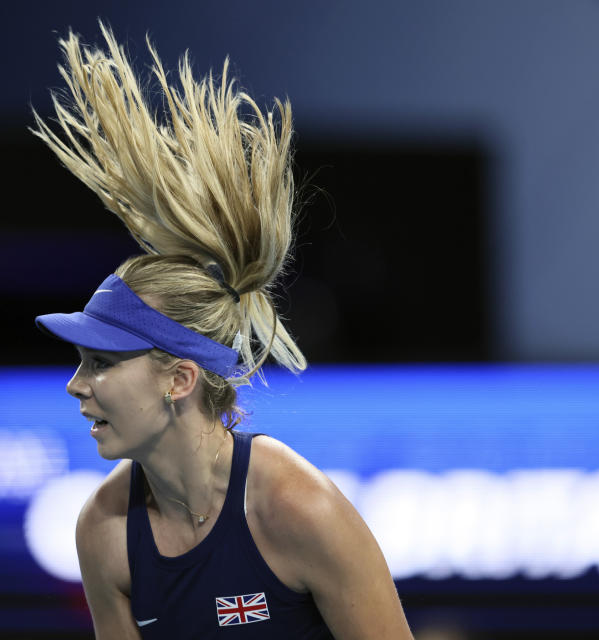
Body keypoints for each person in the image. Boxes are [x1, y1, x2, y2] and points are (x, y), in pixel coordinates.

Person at [31, 23, 413, 640]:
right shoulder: (101, 531)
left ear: (178, 378)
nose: (78, 385)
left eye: (102, 363)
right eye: (81, 362)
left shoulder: (297, 507)